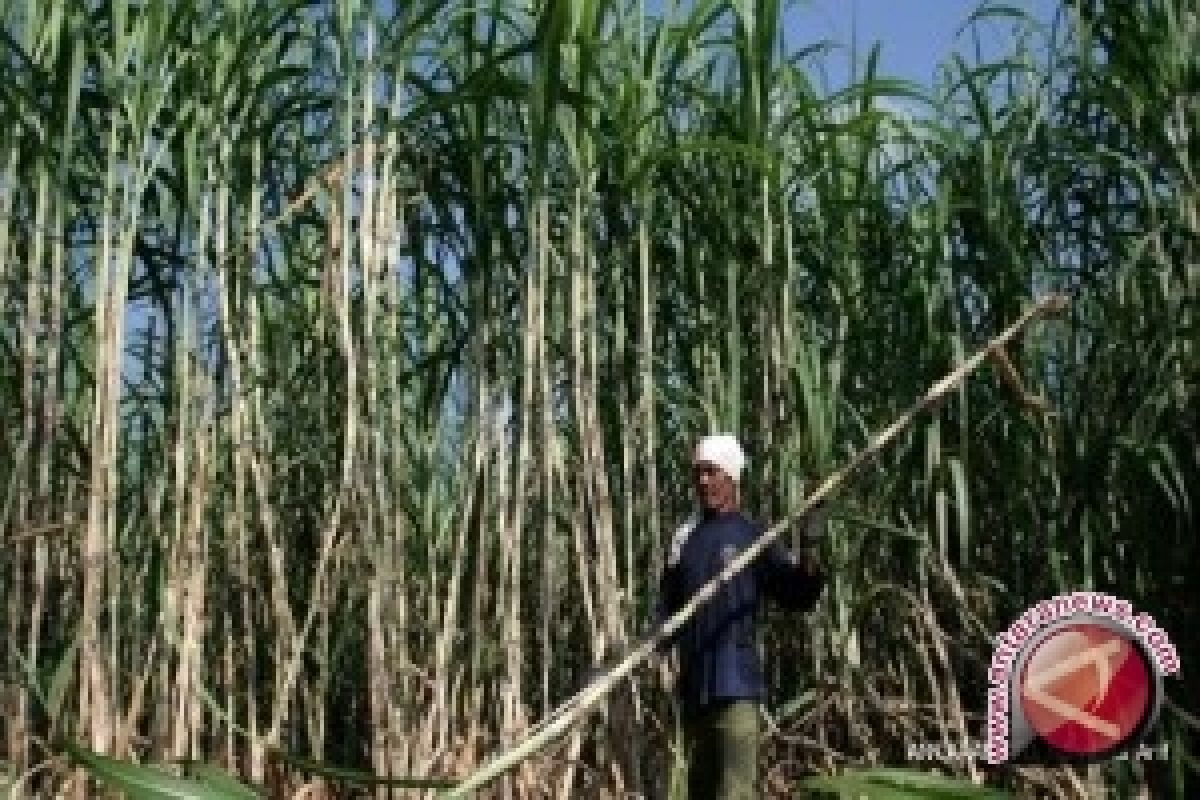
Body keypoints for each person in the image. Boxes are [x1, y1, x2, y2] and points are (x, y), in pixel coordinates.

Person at [657, 433, 826, 800]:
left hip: (736, 688)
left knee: (736, 793)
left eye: (711, 472)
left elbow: (798, 594)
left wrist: (811, 542)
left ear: (731, 477)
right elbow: (666, 613)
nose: (702, 481)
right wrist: (651, 648)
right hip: (693, 692)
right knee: (696, 792)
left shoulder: (754, 536)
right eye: (697, 473)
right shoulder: (684, 539)